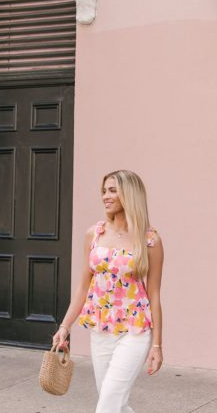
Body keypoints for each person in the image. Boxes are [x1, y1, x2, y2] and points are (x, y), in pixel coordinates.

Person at [52, 169, 164, 413]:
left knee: (107, 405)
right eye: (104, 190)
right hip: (101, 329)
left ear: (130, 194)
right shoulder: (95, 234)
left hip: (135, 331)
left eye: (113, 190)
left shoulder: (150, 240)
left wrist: (157, 346)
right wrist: (64, 326)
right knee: (115, 402)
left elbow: (154, 295)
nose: (105, 196)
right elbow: (83, 286)